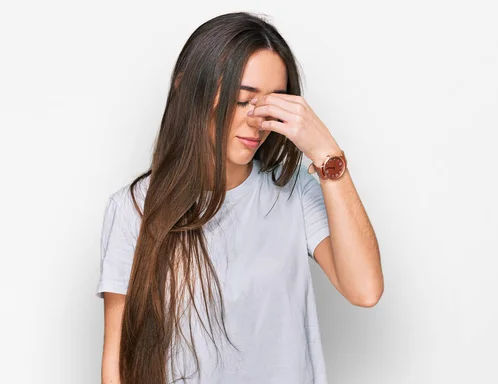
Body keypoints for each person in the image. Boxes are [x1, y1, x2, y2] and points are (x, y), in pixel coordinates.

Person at [96, 11, 383, 384]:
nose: (257, 120)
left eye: (273, 105)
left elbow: (364, 289)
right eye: (242, 100)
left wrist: (327, 153)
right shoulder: (134, 208)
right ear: (187, 88)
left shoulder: (293, 191)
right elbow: (118, 361)